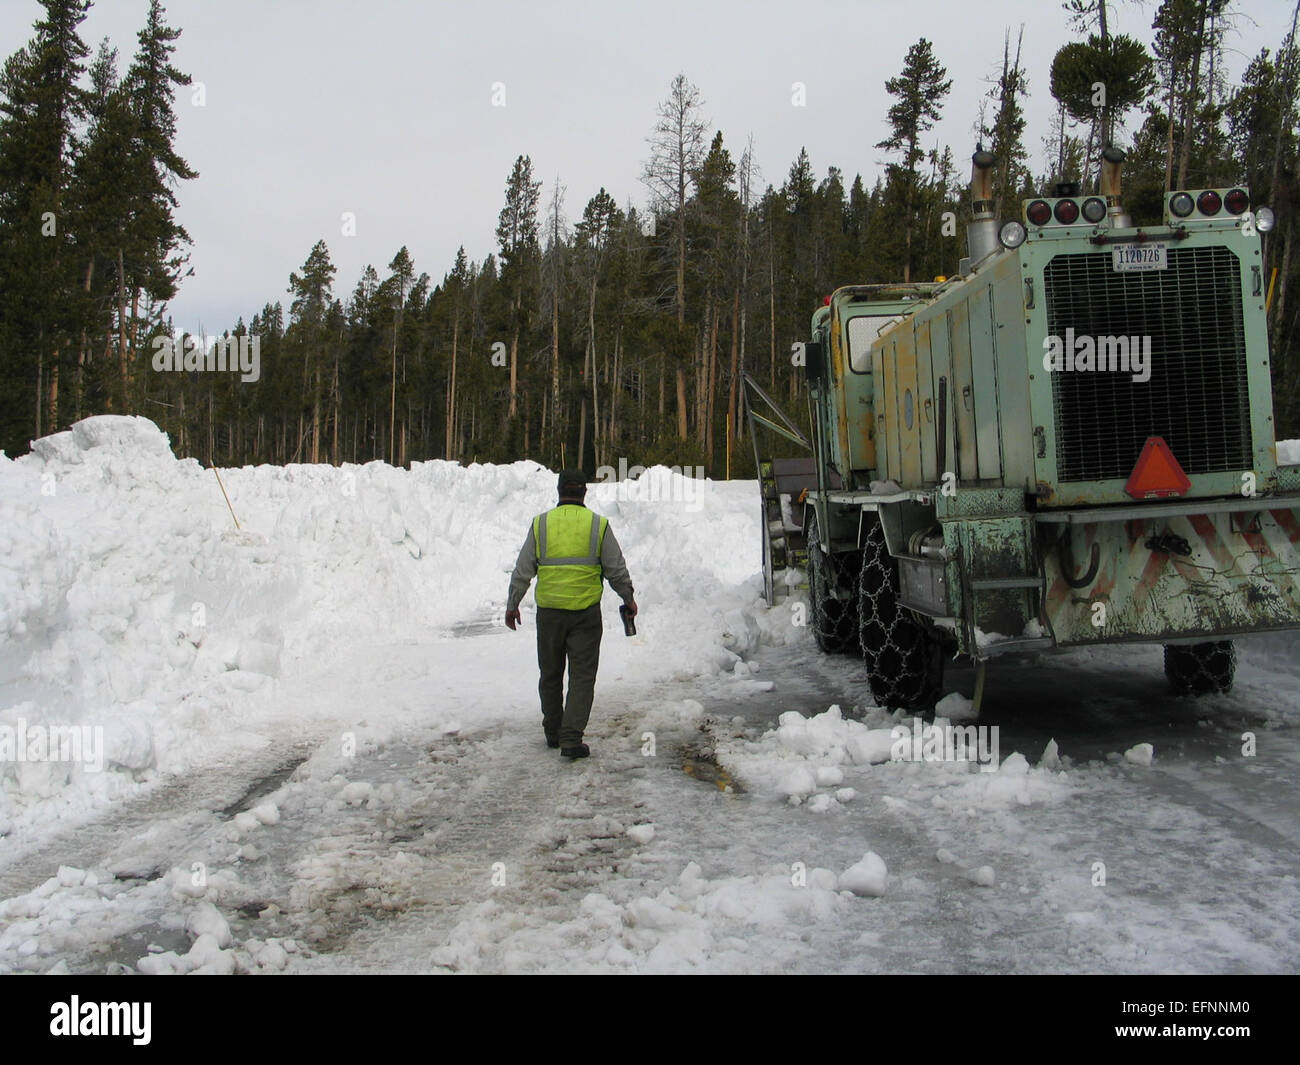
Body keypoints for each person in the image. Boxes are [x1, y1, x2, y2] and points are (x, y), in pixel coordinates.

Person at [504, 470, 637, 759]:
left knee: (550, 674)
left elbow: (523, 569)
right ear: (584, 493)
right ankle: (571, 738)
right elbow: (616, 569)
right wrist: (628, 597)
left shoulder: (541, 524)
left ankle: (553, 732)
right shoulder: (598, 526)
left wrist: (513, 604)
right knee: (582, 677)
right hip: (585, 615)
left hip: (549, 614)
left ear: (559, 490)